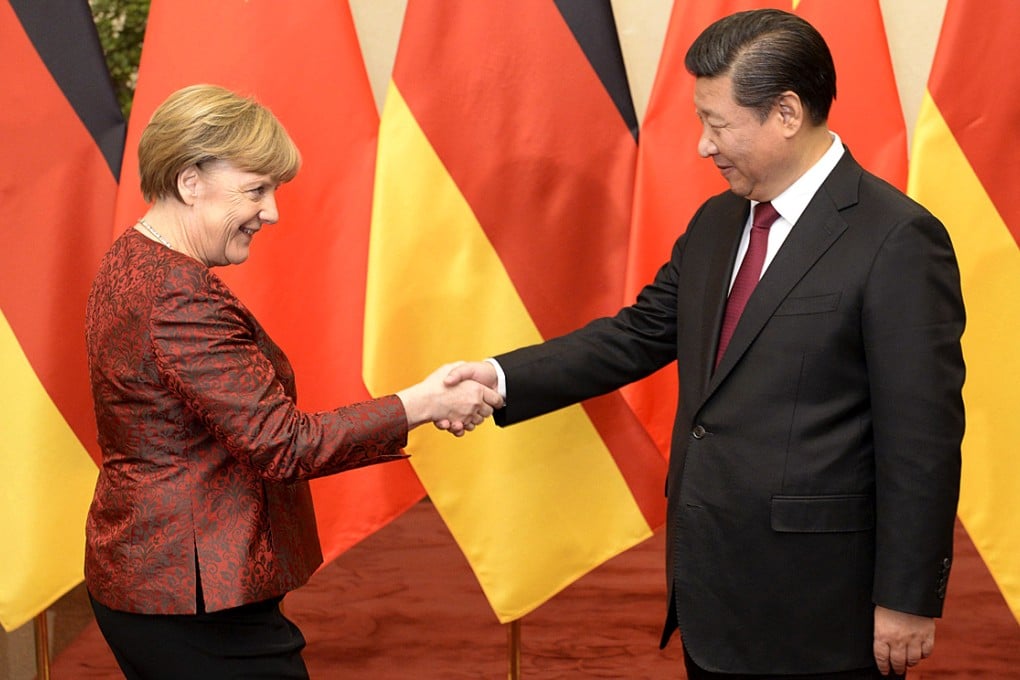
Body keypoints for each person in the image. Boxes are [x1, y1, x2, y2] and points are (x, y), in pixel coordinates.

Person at [445, 9, 964, 679]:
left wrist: (907, 598)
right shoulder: (720, 221)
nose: (702, 145)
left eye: (717, 124)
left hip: (822, 608)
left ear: (785, 112)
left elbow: (921, 437)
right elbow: (635, 336)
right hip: (711, 589)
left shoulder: (895, 238)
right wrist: (494, 377)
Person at [84, 84, 502, 679]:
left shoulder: (133, 258)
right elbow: (284, 444)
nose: (273, 211)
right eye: (255, 189)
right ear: (189, 182)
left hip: (159, 578)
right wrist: (422, 402)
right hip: (195, 597)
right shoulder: (180, 293)